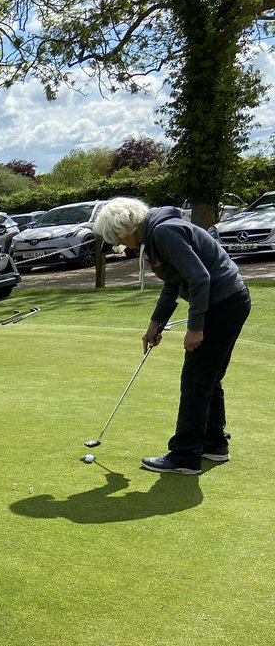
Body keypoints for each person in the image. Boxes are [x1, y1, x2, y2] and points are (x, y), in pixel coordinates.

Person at [92, 197, 250, 475]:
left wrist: (195, 328)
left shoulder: (164, 232)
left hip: (222, 304)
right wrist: (156, 323)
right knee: (208, 379)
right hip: (229, 301)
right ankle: (214, 445)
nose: (120, 244)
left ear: (125, 229)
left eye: (117, 238)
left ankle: (185, 456)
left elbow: (200, 278)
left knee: (195, 381)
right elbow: (174, 282)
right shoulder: (156, 234)